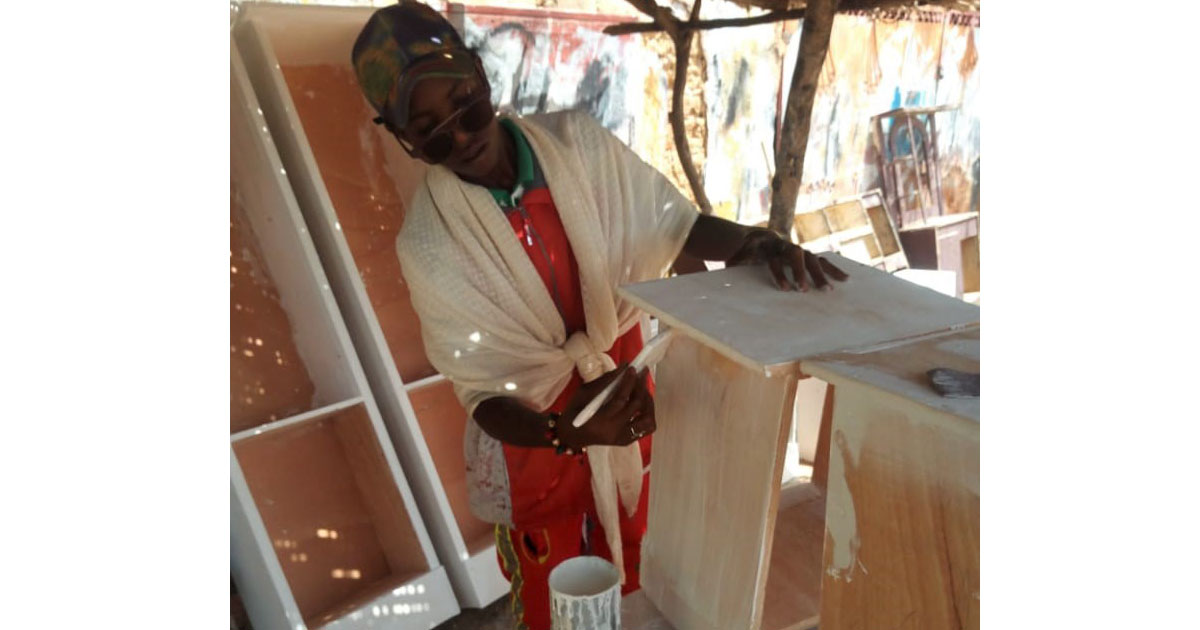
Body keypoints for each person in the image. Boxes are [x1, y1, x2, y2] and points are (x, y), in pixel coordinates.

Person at [351, 3, 847, 627]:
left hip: (626, 396)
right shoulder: (428, 244)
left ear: (481, 76)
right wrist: (567, 435)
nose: (462, 137)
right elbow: (481, 394)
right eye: (430, 134)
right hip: (537, 445)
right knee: (556, 599)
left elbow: (673, 224)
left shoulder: (577, 146)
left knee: (647, 572)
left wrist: (753, 243)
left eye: (468, 109)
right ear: (404, 140)